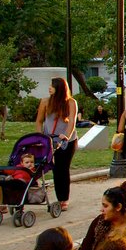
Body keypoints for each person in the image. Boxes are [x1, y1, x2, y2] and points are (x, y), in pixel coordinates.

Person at [35, 77, 77, 211]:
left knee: (63, 168)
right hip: (50, 140)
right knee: (55, 168)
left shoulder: (70, 102)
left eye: (52, 86)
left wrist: (67, 136)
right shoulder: (45, 102)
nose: (49, 88)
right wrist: (40, 137)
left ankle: (64, 198)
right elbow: (39, 121)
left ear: (59, 88)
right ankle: (60, 197)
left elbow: (72, 121)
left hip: (67, 141)